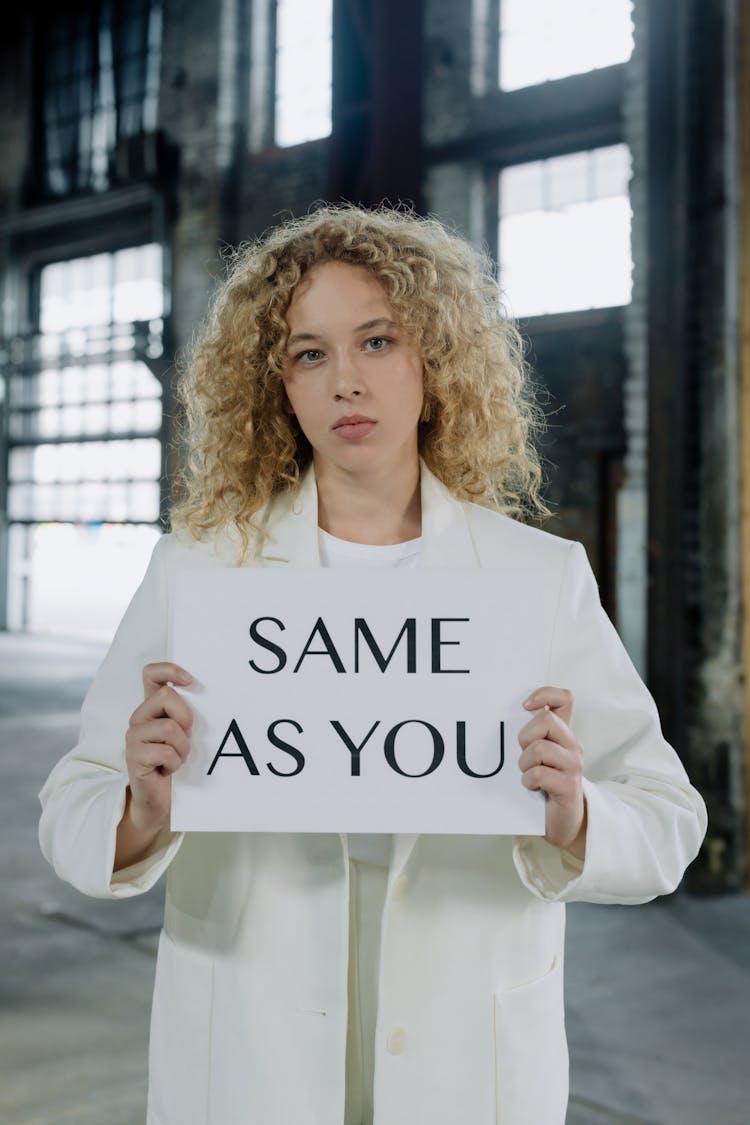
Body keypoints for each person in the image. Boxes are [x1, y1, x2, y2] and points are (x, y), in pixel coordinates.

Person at [39, 204, 707, 1125]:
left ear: (434, 360)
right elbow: (73, 806)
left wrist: (575, 808)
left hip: (463, 1045)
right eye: (309, 353)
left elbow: (668, 822)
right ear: (276, 382)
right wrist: (142, 806)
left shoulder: (534, 579)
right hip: (250, 1037)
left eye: (377, 341)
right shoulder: (199, 571)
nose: (345, 380)